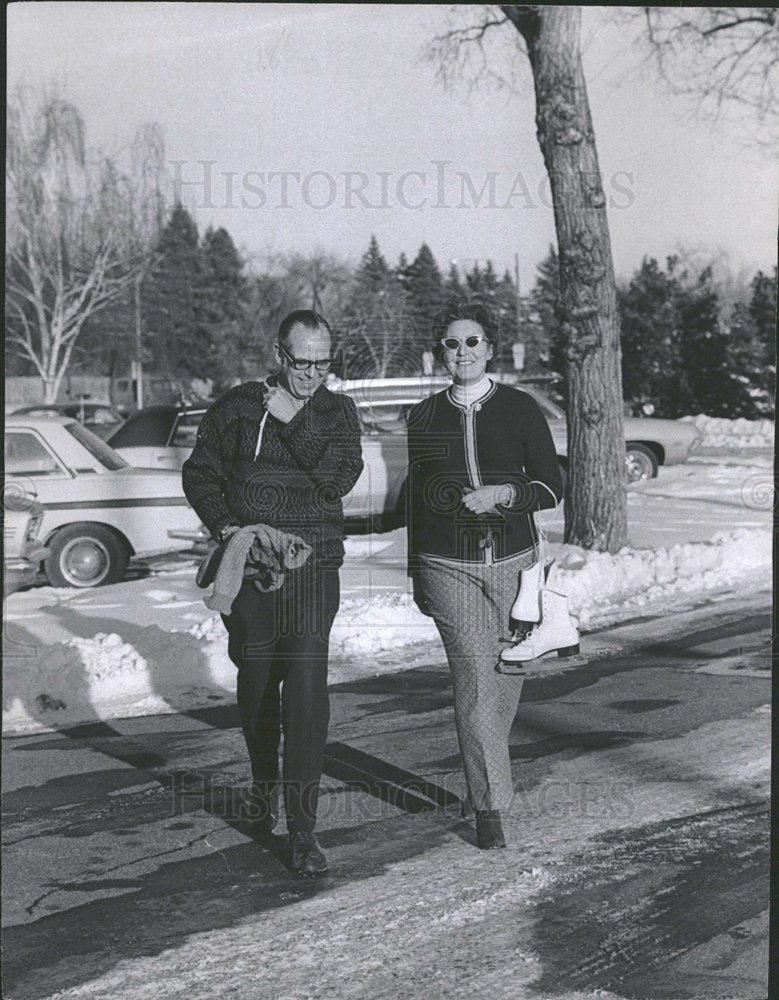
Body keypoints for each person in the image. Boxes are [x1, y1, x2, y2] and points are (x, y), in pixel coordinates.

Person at [183, 310, 363, 876]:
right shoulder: (236, 406)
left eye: (322, 363)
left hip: (313, 568)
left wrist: (294, 421)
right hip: (253, 567)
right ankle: (264, 786)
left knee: (307, 689)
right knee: (257, 680)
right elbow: (199, 473)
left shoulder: (338, 410)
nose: (311, 375)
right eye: (300, 362)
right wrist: (227, 528)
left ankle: (304, 830)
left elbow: (339, 478)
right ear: (279, 355)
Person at [406, 302, 563, 850]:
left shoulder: (518, 408)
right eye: (451, 344)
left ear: (490, 349)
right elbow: (416, 503)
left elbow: (551, 486)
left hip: (515, 562)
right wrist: (415, 575)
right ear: (439, 354)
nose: (462, 353)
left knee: (508, 671)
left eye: (472, 342)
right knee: (474, 679)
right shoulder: (423, 415)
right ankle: (490, 808)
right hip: (447, 565)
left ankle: (484, 780)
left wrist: (506, 494)